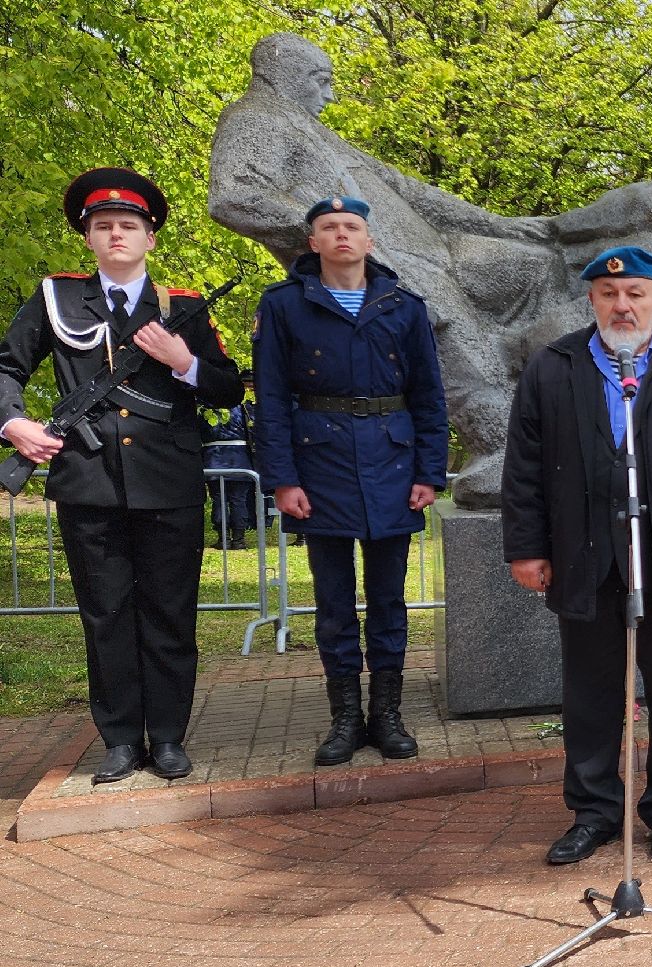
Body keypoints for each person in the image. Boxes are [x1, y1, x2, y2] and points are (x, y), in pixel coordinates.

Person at [501, 246, 652, 865]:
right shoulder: (553, 368)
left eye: (636, 294)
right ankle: (594, 813)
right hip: (583, 559)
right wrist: (527, 547)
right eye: (610, 295)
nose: (622, 305)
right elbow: (524, 468)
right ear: (591, 300)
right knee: (589, 695)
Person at [0, 168, 244, 784]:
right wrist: (13, 426)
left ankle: (166, 739)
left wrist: (184, 362)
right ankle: (116, 740)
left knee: (169, 614)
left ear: (150, 239)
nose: (115, 235)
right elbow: (5, 368)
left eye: (128, 226)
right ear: (87, 238)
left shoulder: (182, 308)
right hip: (89, 482)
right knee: (106, 615)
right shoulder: (56, 299)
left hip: (168, 484)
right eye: (103, 226)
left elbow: (226, 387)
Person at [250, 195, 449, 767]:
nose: (341, 235)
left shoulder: (404, 307)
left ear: (369, 240)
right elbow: (271, 401)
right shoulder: (285, 305)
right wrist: (282, 479)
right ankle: (344, 719)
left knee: (389, 599)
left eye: (351, 227)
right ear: (312, 243)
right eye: (329, 228)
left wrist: (429, 473)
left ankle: (387, 715)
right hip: (321, 467)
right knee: (333, 602)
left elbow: (429, 398)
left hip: (391, 462)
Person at [200, 374, 259, 550]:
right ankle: (238, 539)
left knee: (219, 499)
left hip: (213, 459)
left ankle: (223, 537)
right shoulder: (244, 408)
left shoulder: (206, 408)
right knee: (238, 500)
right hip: (239, 458)